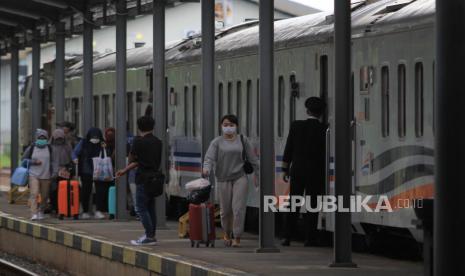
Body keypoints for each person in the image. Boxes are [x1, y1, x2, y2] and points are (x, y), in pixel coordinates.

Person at [202, 114, 259, 248]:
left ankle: (237, 236)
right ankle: (227, 232)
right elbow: (209, 158)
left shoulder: (243, 140)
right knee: (225, 210)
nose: (228, 127)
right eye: (226, 125)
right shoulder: (216, 142)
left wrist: (257, 175)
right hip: (223, 178)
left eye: (231, 125)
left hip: (240, 177)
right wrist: (206, 169)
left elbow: (253, 159)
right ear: (221, 126)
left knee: (238, 208)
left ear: (236, 126)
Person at [281, 97, 327, 247]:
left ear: (307, 111)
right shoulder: (325, 129)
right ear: (321, 113)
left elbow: (289, 148)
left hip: (298, 171)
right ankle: (310, 238)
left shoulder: (296, 126)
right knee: (312, 205)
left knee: (294, 202)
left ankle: (287, 237)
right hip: (316, 172)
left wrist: (284, 168)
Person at [116, 116, 162, 245]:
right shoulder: (158, 142)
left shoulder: (138, 142)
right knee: (150, 207)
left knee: (141, 208)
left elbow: (133, 160)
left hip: (143, 178)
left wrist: (125, 169)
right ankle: (151, 235)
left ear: (139, 127)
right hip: (155, 178)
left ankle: (149, 236)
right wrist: (125, 170)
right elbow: (141, 161)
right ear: (153, 127)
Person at [73, 127, 111, 219]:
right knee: (86, 191)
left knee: (100, 191)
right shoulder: (83, 142)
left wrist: (105, 147)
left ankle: (98, 210)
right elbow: (75, 152)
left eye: (97, 137)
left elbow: (108, 153)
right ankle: (85, 211)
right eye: (93, 137)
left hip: (100, 171)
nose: (95, 139)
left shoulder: (102, 143)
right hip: (86, 171)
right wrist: (75, 159)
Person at [22, 129, 53, 221]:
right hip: (33, 175)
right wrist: (34, 162)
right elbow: (23, 160)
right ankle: (34, 213)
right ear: (37, 138)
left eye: (44, 138)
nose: (42, 139)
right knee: (34, 194)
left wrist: (53, 172)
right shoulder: (32, 148)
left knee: (45, 196)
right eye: (40, 137)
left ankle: (41, 210)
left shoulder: (49, 148)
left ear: (47, 138)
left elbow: (53, 161)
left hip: (46, 175)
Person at [49, 129, 73, 214]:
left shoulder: (67, 146)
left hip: (64, 172)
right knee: (53, 191)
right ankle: (55, 208)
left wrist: (68, 167)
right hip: (52, 173)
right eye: (57, 138)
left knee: (64, 191)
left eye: (61, 138)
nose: (59, 140)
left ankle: (64, 208)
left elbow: (71, 159)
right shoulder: (49, 147)